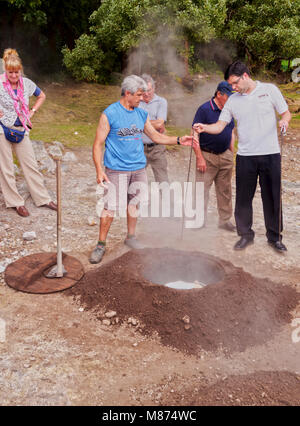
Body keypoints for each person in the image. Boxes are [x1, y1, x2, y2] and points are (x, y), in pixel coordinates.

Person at [89, 75, 198, 264]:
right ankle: (100, 244)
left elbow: (156, 137)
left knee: (135, 204)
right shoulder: (110, 113)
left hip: (138, 168)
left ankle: (131, 237)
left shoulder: (141, 114)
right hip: (115, 169)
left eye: (144, 94)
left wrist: (180, 140)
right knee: (109, 209)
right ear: (128, 93)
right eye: (139, 95)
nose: (143, 98)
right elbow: (98, 144)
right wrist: (99, 170)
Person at [193, 61, 291, 252]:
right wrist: (204, 127)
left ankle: (274, 237)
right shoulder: (233, 100)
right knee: (243, 198)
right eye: (231, 85)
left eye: (235, 83)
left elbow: (285, 114)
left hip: (270, 153)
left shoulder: (269, 90)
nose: (233, 88)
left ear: (245, 76)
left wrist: (284, 122)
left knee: (272, 196)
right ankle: (245, 235)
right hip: (246, 155)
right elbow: (220, 125)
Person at [0, 48, 57, 217]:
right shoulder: (0, 84)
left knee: (30, 164)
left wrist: (32, 111)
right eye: (10, 72)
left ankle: (43, 198)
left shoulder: (27, 83)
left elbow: (42, 96)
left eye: (17, 72)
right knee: (6, 167)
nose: (14, 76)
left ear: (20, 70)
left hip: (22, 129)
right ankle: (16, 202)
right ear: (6, 70)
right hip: (2, 129)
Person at [192, 81, 236, 231]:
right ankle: (198, 220)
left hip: (225, 155)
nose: (231, 99)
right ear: (219, 94)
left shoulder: (230, 110)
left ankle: (224, 220)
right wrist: (199, 157)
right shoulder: (204, 109)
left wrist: (231, 153)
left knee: (225, 190)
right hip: (207, 155)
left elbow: (231, 132)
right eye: (229, 96)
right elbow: (195, 133)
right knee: (201, 189)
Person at [139, 74, 169, 183]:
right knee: (134, 181)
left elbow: (160, 124)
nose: (146, 94)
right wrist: (152, 123)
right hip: (139, 147)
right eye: (144, 90)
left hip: (157, 148)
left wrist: (138, 123)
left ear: (154, 88)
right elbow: (128, 122)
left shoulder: (161, 102)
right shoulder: (136, 102)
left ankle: (166, 200)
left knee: (163, 180)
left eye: (149, 90)